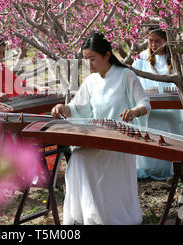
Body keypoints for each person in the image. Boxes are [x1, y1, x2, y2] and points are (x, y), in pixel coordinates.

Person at [51, 32, 151, 225]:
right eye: (86, 59)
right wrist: (64, 108)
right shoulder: (91, 81)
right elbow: (79, 108)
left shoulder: (126, 75)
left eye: (93, 59)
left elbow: (145, 104)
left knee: (83, 160)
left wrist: (134, 112)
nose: (89, 64)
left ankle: (111, 216)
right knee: (78, 159)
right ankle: (91, 215)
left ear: (107, 55)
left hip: (121, 141)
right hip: (98, 137)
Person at [132, 27, 183, 180]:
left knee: (173, 128)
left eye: (157, 41)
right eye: (150, 41)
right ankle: (148, 167)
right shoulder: (141, 58)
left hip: (174, 107)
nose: (153, 44)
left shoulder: (177, 57)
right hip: (150, 105)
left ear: (166, 41)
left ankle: (174, 169)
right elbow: (132, 79)